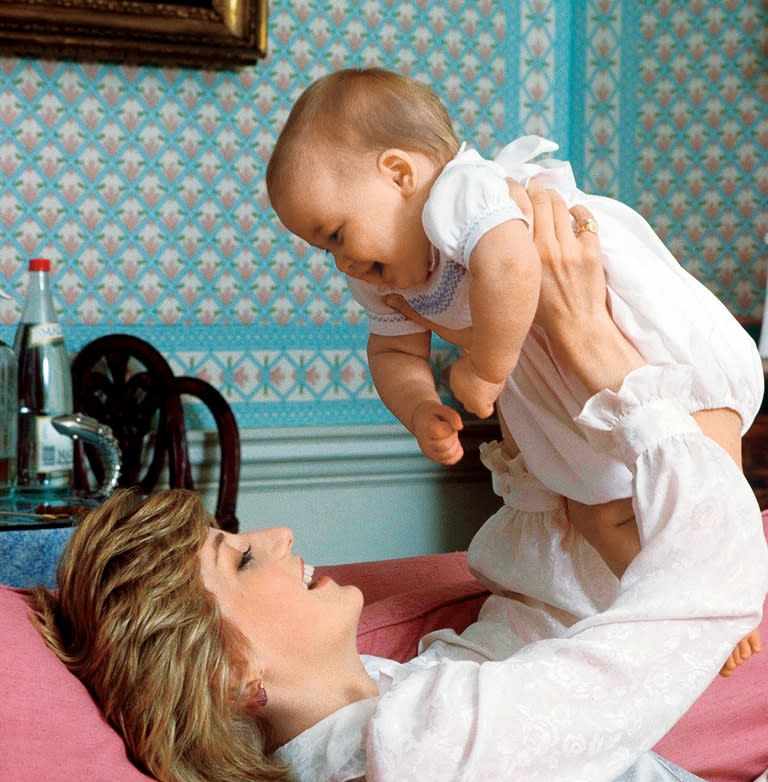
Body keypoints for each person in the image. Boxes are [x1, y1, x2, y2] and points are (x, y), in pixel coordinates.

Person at [34, 188, 768, 782]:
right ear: (233, 679)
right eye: (244, 562)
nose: (277, 537)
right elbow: (699, 598)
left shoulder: (382, 737)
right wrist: (615, 371)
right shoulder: (426, 762)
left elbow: (549, 610)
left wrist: (536, 416)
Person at [265, 66, 764, 673]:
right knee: (591, 505)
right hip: (554, 387)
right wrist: (420, 406)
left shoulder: (460, 193)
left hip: (631, 330)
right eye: (324, 249)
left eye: (338, 232)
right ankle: (676, 605)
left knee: (698, 439)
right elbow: (392, 352)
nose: (341, 259)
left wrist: (486, 366)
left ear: (400, 173)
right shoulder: (378, 274)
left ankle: (726, 586)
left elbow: (510, 267)